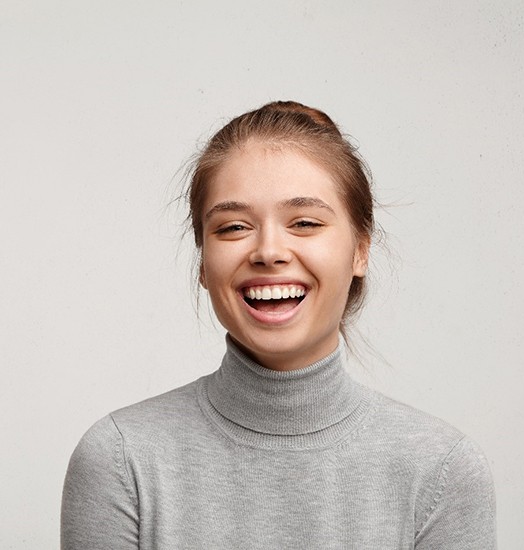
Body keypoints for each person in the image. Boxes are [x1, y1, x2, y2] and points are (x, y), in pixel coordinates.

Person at [61, 101, 497, 549]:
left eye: (305, 223)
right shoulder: (121, 459)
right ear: (203, 265)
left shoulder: (441, 470)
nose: (269, 251)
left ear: (360, 250)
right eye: (233, 227)